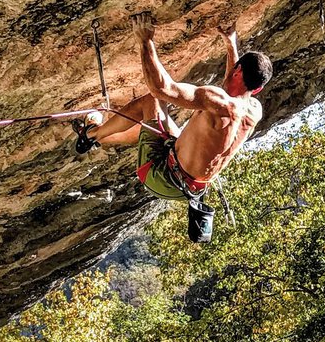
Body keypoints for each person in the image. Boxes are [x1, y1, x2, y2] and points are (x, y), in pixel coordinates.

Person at [75, 14, 271, 216]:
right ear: (257, 89)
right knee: (154, 124)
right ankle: (101, 139)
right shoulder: (254, 111)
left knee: (151, 103)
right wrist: (231, 44)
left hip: (161, 176)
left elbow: (161, 89)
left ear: (238, 70)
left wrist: (145, 41)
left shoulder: (219, 102)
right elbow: (233, 88)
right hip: (189, 189)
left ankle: (90, 134)